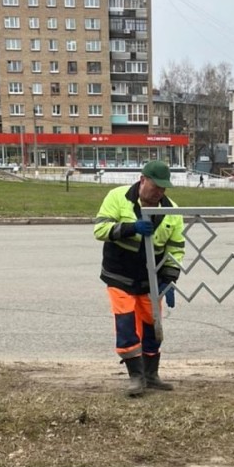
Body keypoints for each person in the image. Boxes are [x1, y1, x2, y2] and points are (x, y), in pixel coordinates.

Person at [93, 161, 185, 397]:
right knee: (126, 324)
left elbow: (176, 249)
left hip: (150, 280)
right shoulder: (118, 197)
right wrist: (131, 227)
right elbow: (100, 230)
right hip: (119, 275)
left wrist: (170, 279)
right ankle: (136, 376)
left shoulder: (171, 212)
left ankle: (152, 375)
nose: (160, 193)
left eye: (164, 189)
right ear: (142, 179)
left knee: (152, 326)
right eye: (156, 187)